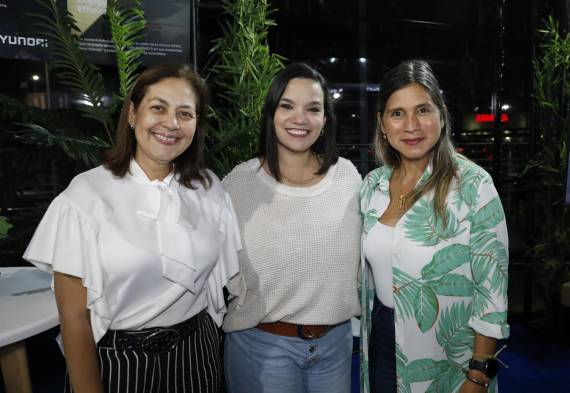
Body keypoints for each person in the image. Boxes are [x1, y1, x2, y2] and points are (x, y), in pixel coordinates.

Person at [23, 63, 241, 393]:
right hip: (117, 363)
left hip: (199, 355)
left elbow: (220, 284)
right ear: (132, 114)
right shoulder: (85, 195)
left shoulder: (210, 188)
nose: (171, 123)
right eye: (158, 108)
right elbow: (74, 318)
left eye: (185, 114)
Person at [360, 60, 509, 393]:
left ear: (442, 117)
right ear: (382, 124)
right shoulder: (371, 185)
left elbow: (492, 292)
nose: (411, 125)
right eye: (397, 113)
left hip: (448, 354)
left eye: (423, 110)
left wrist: (478, 375)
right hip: (382, 335)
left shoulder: (474, 185)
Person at [221, 62, 362, 393]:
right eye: (287, 106)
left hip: (336, 347)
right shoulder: (239, 184)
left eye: (313, 108)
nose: (300, 118)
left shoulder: (348, 178)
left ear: (325, 120)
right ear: (271, 114)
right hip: (262, 347)